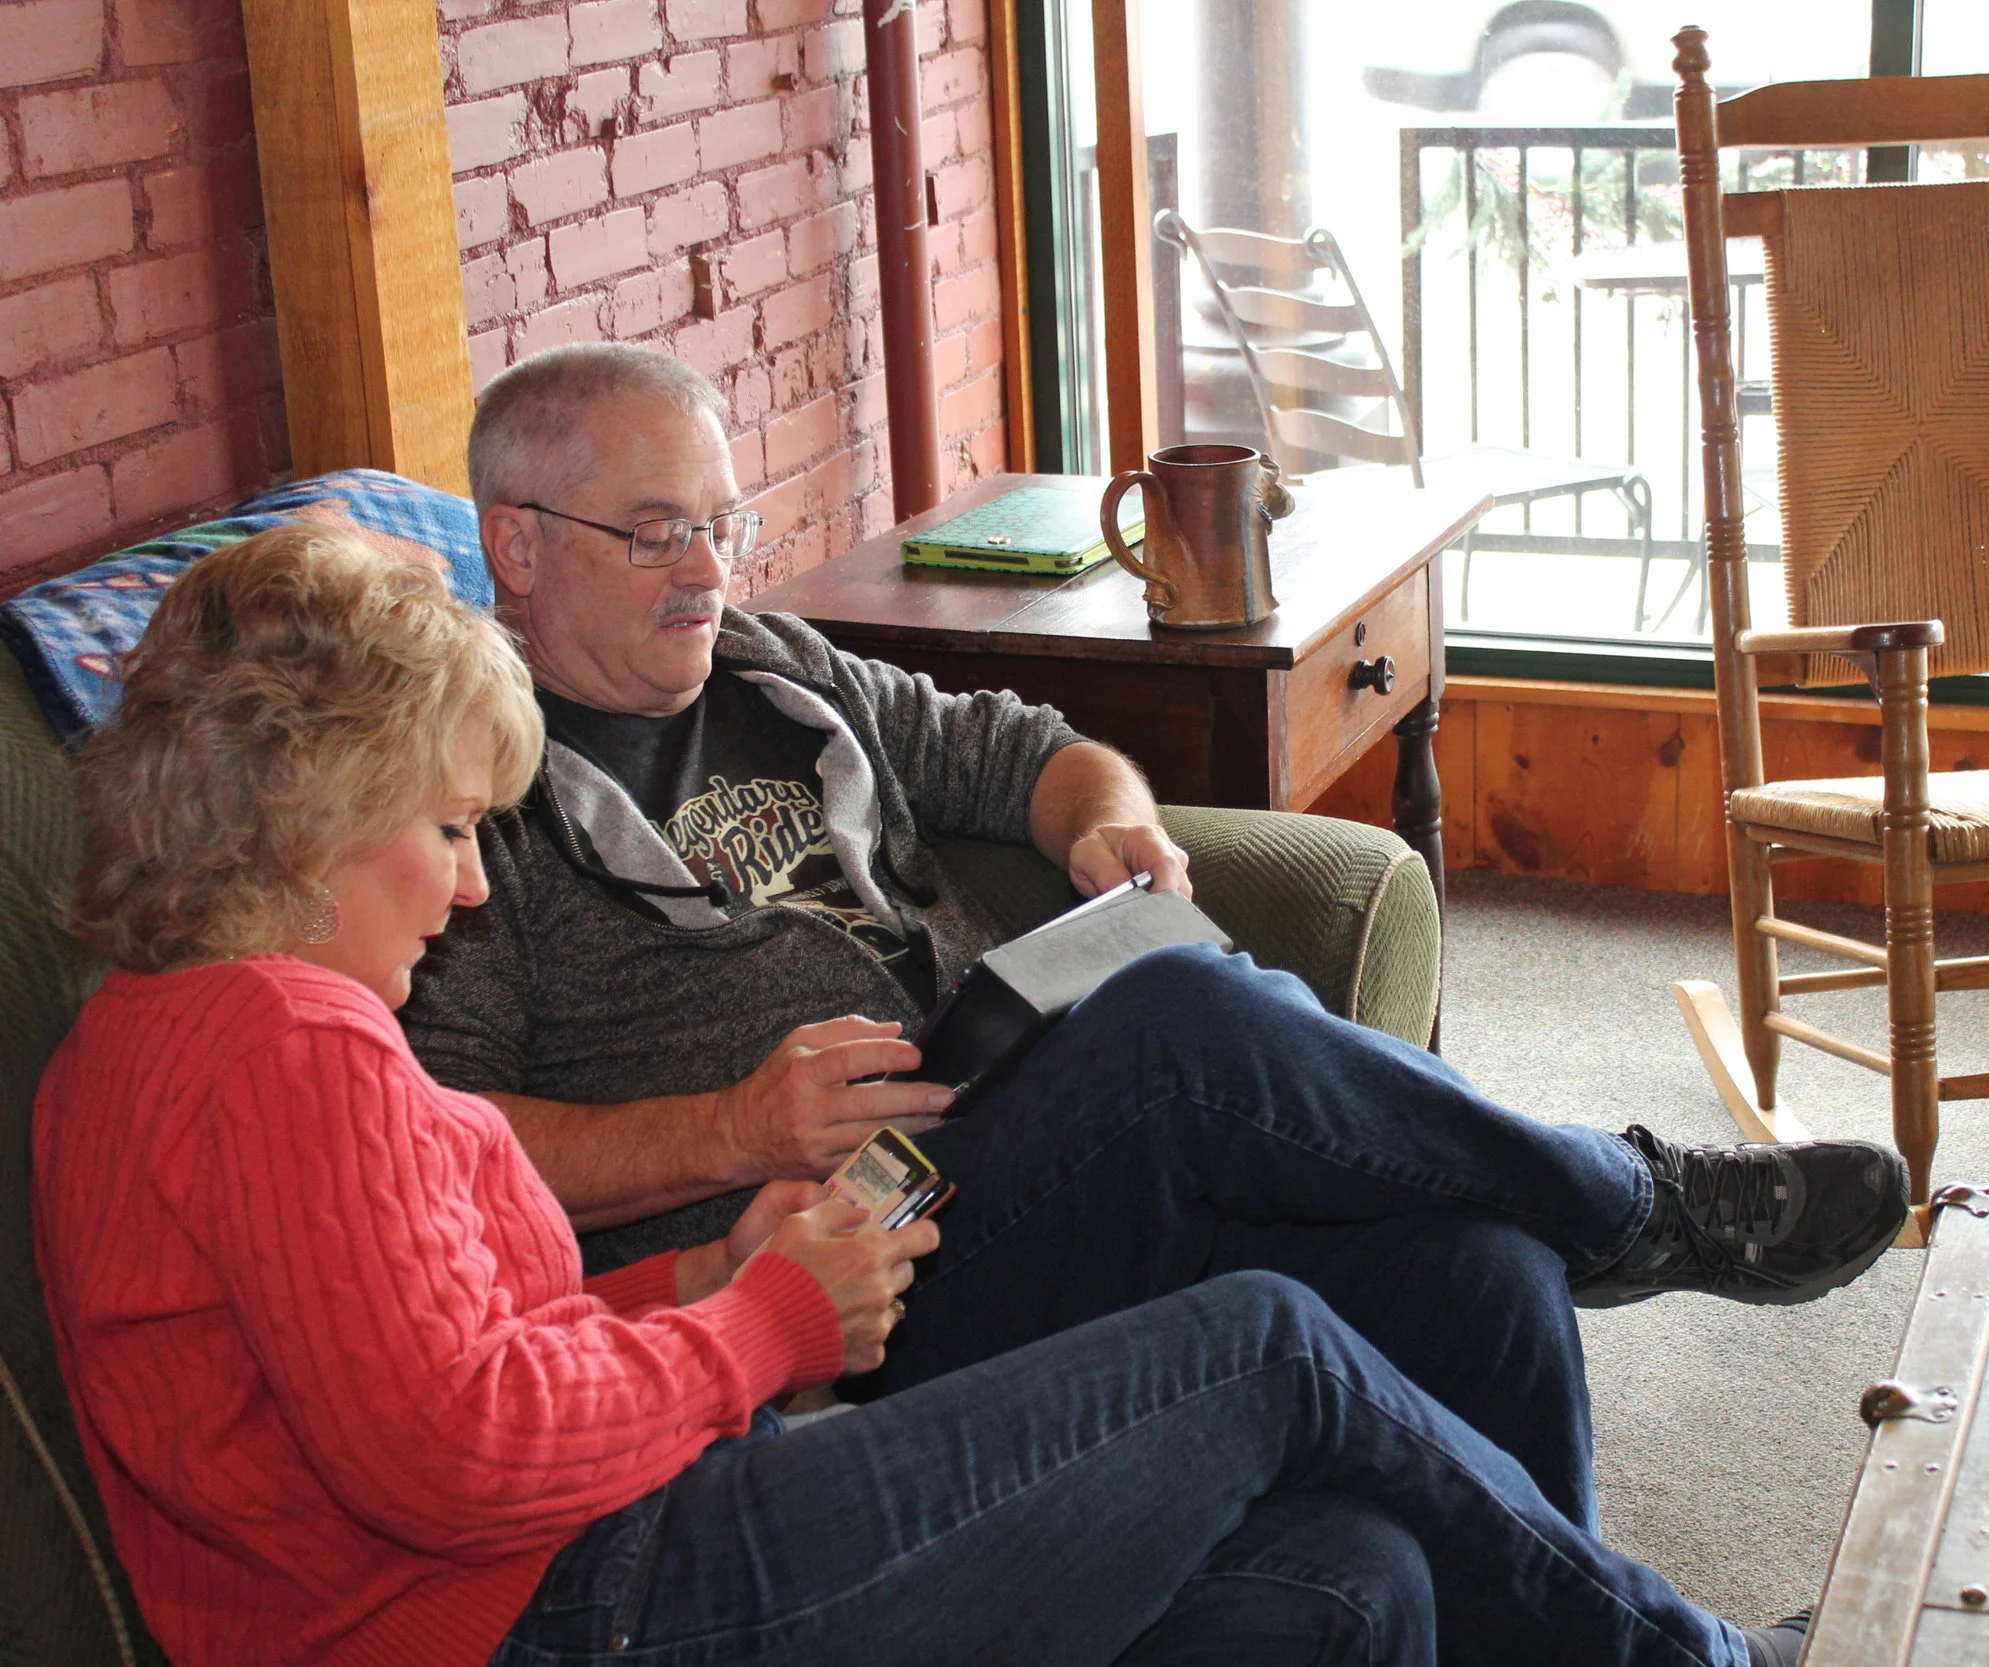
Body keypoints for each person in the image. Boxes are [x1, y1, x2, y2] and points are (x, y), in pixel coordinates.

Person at [38, 523, 1819, 1666]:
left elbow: (446, 1357)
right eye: (441, 830)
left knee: (1357, 1574)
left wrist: (706, 1288)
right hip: (574, 1603)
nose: (471, 879)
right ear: (310, 816)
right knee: (1270, 1343)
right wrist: (755, 1324)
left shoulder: (182, 1034)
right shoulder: (281, 1046)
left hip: (606, 1535)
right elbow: (453, 1454)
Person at [398, 341, 1910, 1541]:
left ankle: (1575, 1579)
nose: (706, 569)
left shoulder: (771, 664)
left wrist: (1107, 829)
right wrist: (724, 1123)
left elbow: (1031, 747)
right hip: (839, 1251)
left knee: (1487, 1268)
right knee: (1181, 1023)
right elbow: (443, 1150)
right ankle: (1638, 1198)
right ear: (515, 547)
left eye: (721, 522)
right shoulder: (471, 797)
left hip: (1020, 1124)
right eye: (657, 531)